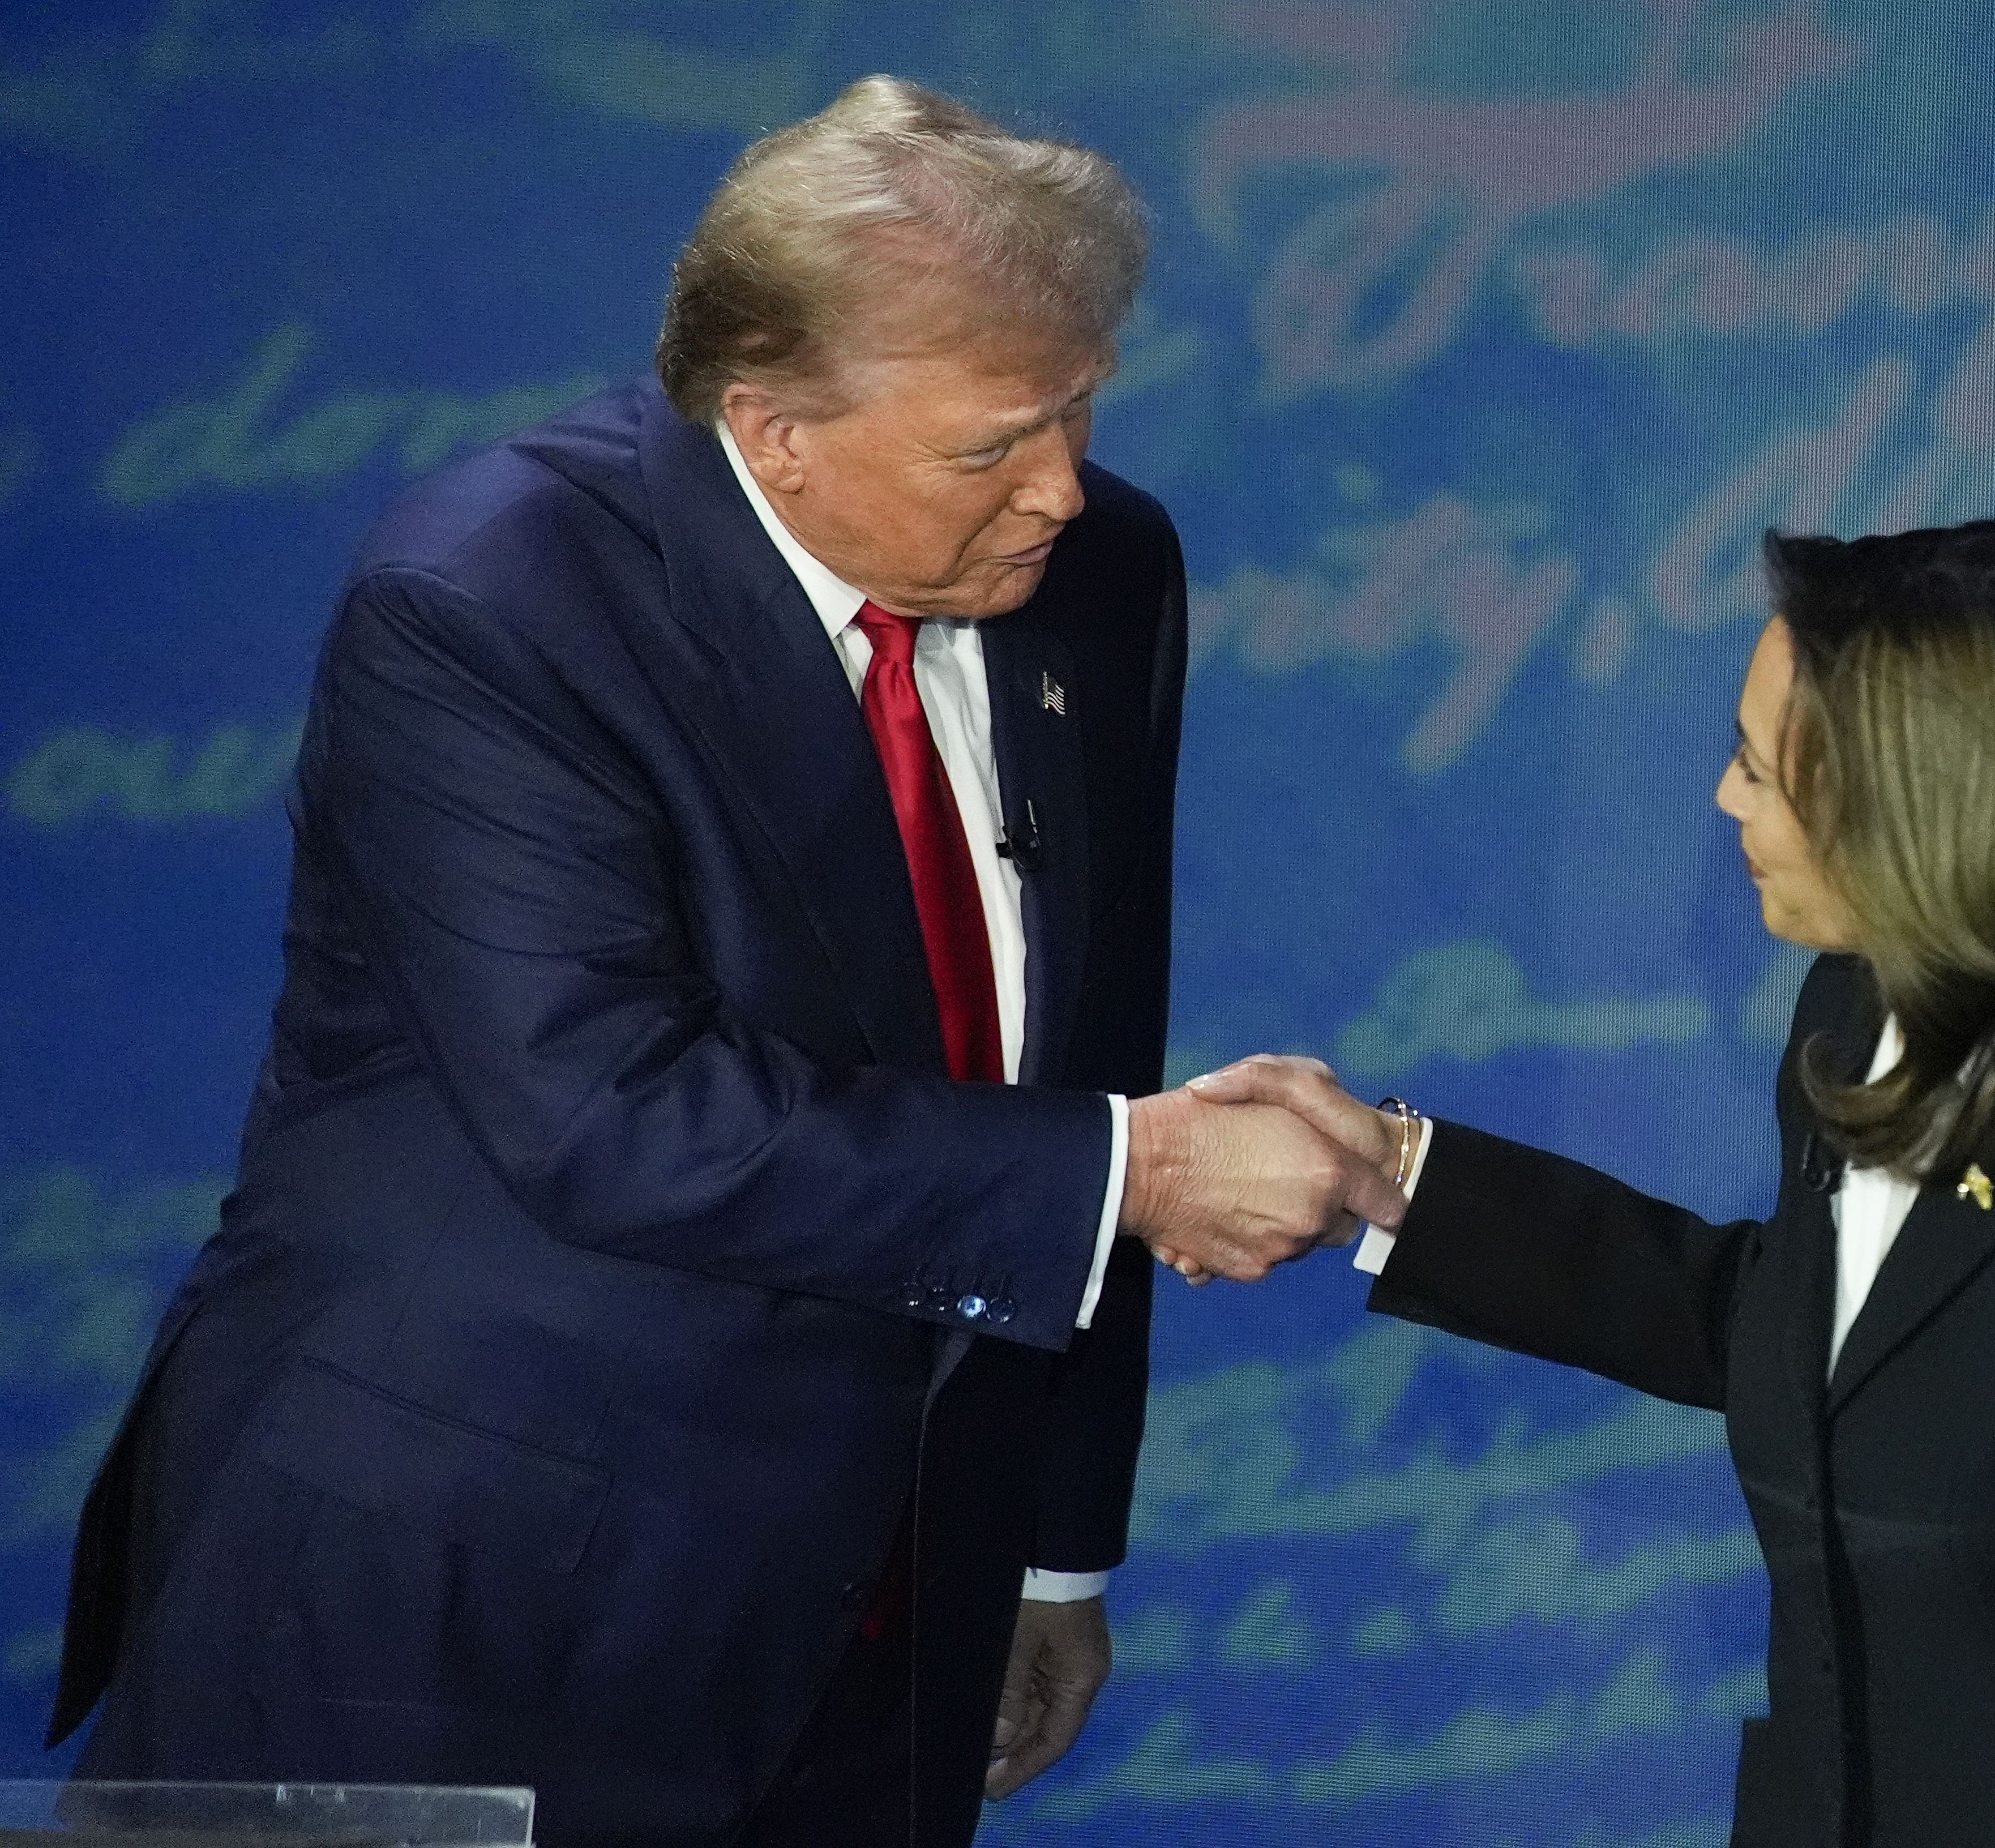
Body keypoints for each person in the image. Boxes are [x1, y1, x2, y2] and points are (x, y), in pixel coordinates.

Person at [49, 76, 1401, 1848]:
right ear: (768, 431)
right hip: (469, 1587)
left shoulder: (1102, 570)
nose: (1061, 489)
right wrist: (1143, 1174)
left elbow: (1085, 1037)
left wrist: (1054, 1542)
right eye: (993, 445)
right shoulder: (492, 603)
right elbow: (611, 1110)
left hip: (894, 1592)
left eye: (1078, 409)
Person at [1196, 522, 1995, 1847]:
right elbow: (1810, 1342)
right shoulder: (1851, 1015)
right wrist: (1397, 1180)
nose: (1729, 801)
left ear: (1923, 814)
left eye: (1757, 767)